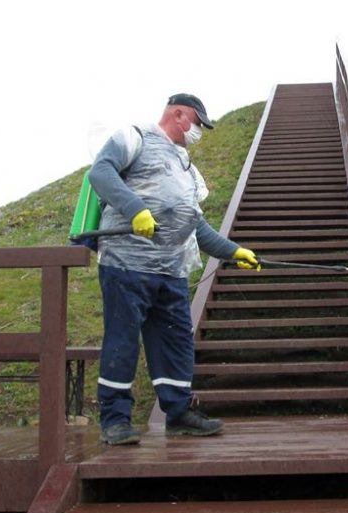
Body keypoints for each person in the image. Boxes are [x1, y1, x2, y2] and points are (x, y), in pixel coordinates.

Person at [88, 93, 258, 446]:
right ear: (178, 113)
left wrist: (233, 251)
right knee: (122, 341)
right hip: (125, 265)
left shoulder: (185, 166)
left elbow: (194, 223)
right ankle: (115, 420)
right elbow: (100, 171)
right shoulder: (133, 137)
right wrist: (134, 208)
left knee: (177, 340)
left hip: (171, 271)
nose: (199, 131)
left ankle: (179, 413)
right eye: (197, 123)